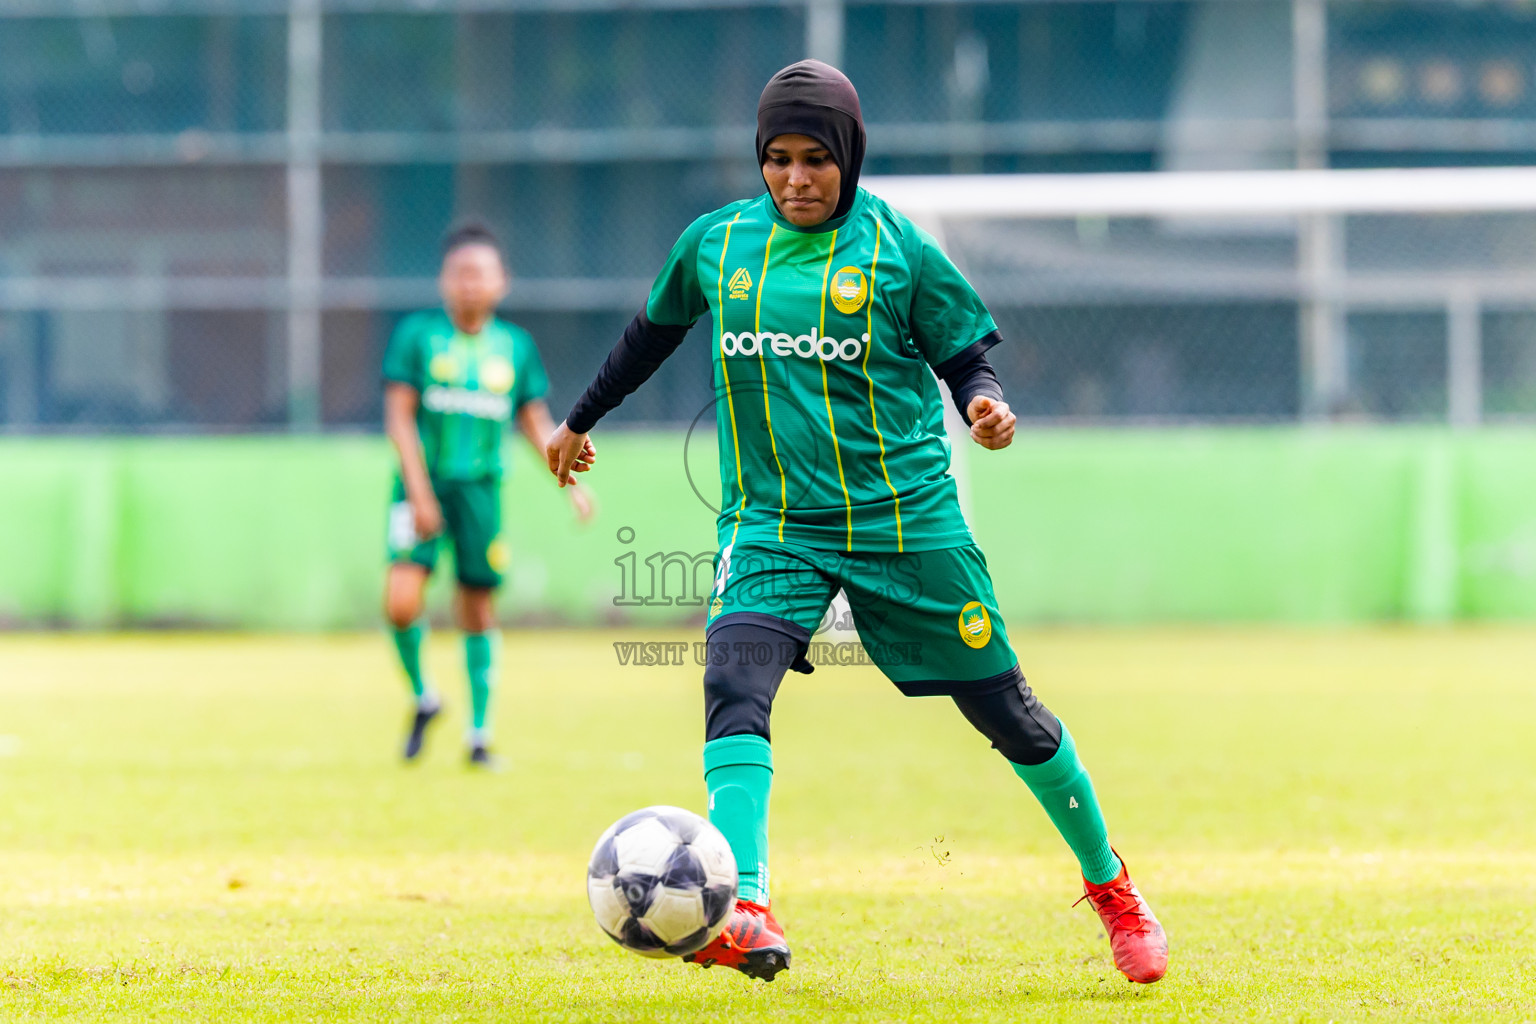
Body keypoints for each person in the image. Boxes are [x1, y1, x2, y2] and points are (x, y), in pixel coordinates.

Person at [546, 62, 1165, 984]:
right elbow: (650, 333)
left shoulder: (896, 247)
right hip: (773, 525)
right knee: (733, 681)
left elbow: (967, 358)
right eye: (779, 160)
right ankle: (744, 903)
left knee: (1009, 714)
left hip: (904, 522)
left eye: (815, 160)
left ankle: (1112, 887)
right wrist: (578, 420)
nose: (796, 179)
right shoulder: (716, 245)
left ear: (850, 157)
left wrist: (986, 407)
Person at [383, 222, 592, 768]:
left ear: (502, 282)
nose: (470, 283)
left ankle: (478, 736)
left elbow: (534, 422)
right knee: (401, 602)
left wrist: (568, 484)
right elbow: (400, 422)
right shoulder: (417, 337)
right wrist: (420, 493)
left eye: (481, 273)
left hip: (481, 493)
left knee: (476, 606)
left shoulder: (515, 348)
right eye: (460, 273)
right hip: (420, 487)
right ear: (443, 281)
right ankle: (425, 697)